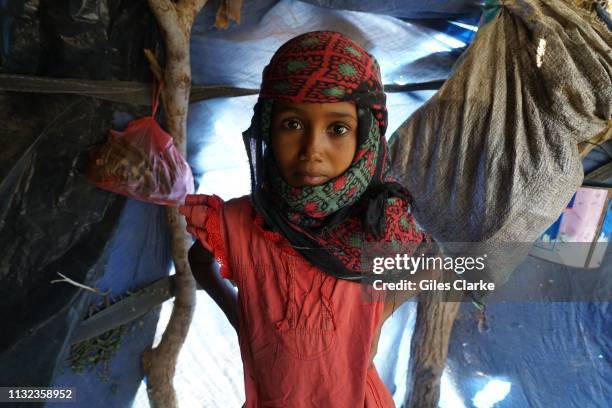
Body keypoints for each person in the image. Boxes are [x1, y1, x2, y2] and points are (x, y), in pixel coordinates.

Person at [179, 31, 438, 408]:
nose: (312, 150)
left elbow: (428, 266)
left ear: (365, 135)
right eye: (292, 125)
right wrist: (242, 319)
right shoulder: (237, 221)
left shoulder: (377, 222)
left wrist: (377, 317)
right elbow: (199, 260)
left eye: (338, 129)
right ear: (267, 126)